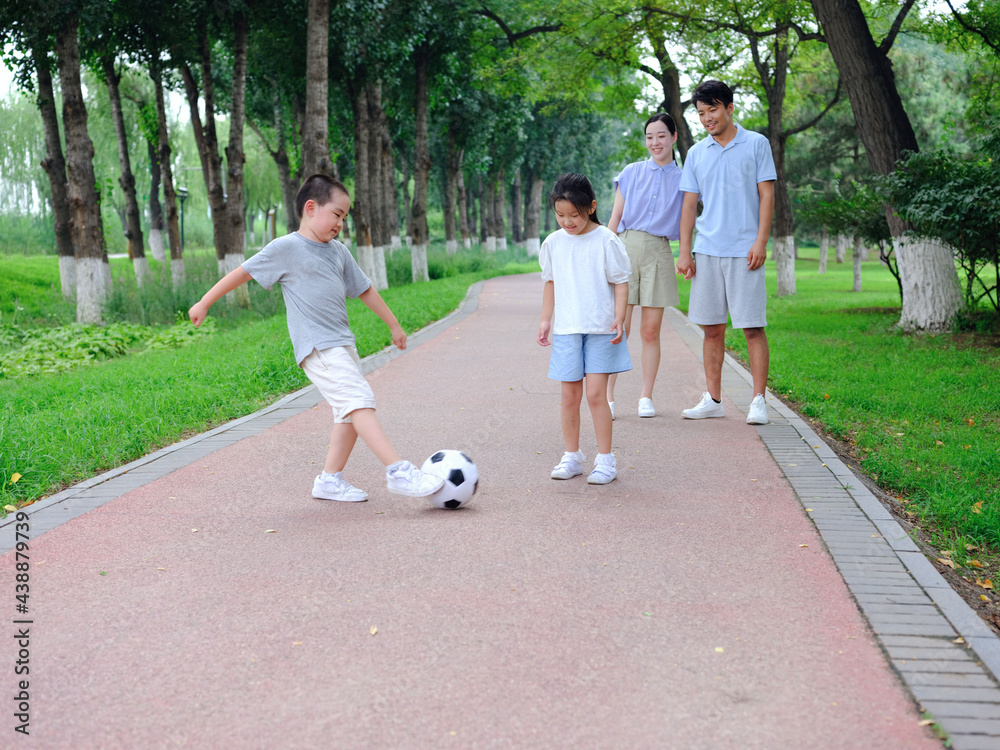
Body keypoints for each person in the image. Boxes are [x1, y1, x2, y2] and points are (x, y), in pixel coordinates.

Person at [188, 174, 444, 502]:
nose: (341, 223)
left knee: (348, 413)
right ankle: (399, 471)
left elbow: (365, 289)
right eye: (336, 214)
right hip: (317, 346)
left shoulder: (338, 252)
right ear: (311, 208)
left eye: (345, 218)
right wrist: (205, 302)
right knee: (359, 400)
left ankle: (329, 481)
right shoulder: (286, 248)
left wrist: (393, 325)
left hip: (342, 343)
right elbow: (242, 273)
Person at [676, 81, 776, 425]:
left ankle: (759, 400)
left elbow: (767, 196)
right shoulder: (697, 154)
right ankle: (714, 399)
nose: (707, 119)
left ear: (730, 108)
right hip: (707, 251)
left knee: (752, 328)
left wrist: (761, 241)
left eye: (713, 110)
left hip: (745, 251)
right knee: (712, 329)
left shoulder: (757, 144)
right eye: (701, 113)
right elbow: (689, 206)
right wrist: (684, 251)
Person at [537, 173, 632, 485]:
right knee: (568, 397)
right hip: (567, 328)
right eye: (560, 215)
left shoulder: (606, 240)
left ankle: (606, 460)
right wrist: (545, 320)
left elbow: (620, 283)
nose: (567, 222)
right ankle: (572, 456)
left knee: (595, 395)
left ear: (591, 207)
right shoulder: (553, 243)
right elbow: (550, 284)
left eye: (574, 215)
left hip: (601, 328)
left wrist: (619, 317)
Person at [606, 112, 684, 420]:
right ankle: (609, 397)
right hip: (625, 247)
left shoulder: (685, 179)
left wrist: (687, 252)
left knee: (650, 331)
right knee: (618, 328)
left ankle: (646, 396)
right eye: (650, 136)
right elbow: (614, 217)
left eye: (662, 135)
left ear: (674, 137)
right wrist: (606, 252)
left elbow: (689, 217)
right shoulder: (631, 171)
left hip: (659, 250)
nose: (655, 142)